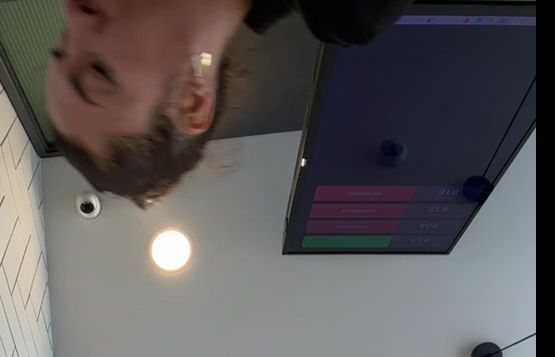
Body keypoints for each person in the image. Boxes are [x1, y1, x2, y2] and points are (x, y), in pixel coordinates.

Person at [46, 0, 411, 207]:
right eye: (99, 72)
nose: (73, 14)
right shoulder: (350, 7)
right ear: (192, 101)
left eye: (63, 42)